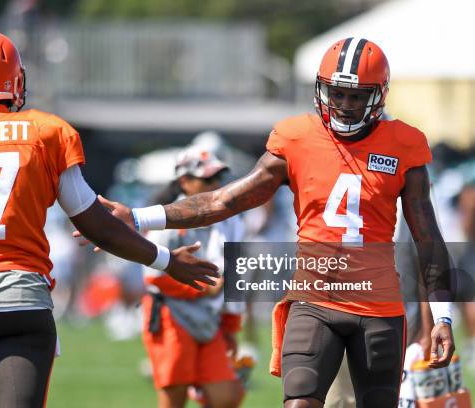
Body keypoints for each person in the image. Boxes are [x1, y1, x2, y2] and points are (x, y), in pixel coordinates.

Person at [78, 38, 456, 407]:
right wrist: (139, 217)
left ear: (379, 95)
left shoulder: (404, 143)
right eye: (337, 93)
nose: (344, 104)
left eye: (356, 96)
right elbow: (225, 200)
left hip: (377, 305)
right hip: (314, 300)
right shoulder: (297, 137)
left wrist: (443, 317)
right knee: (299, 401)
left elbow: (428, 239)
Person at [0, 29, 217, 408]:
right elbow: (96, 224)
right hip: (24, 304)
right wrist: (167, 260)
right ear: (14, 77)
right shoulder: (46, 133)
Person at [142, 145, 244, 408]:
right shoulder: (166, 218)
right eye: (207, 179)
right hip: (171, 316)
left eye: (218, 178)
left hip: (210, 319)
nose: (216, 184)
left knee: (227, 397)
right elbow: (152, 277)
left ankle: (198, 385)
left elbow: (236, 275)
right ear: (185, 182)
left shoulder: (231, 219)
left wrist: (231, 326)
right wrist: (201, 288)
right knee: (173, 397)